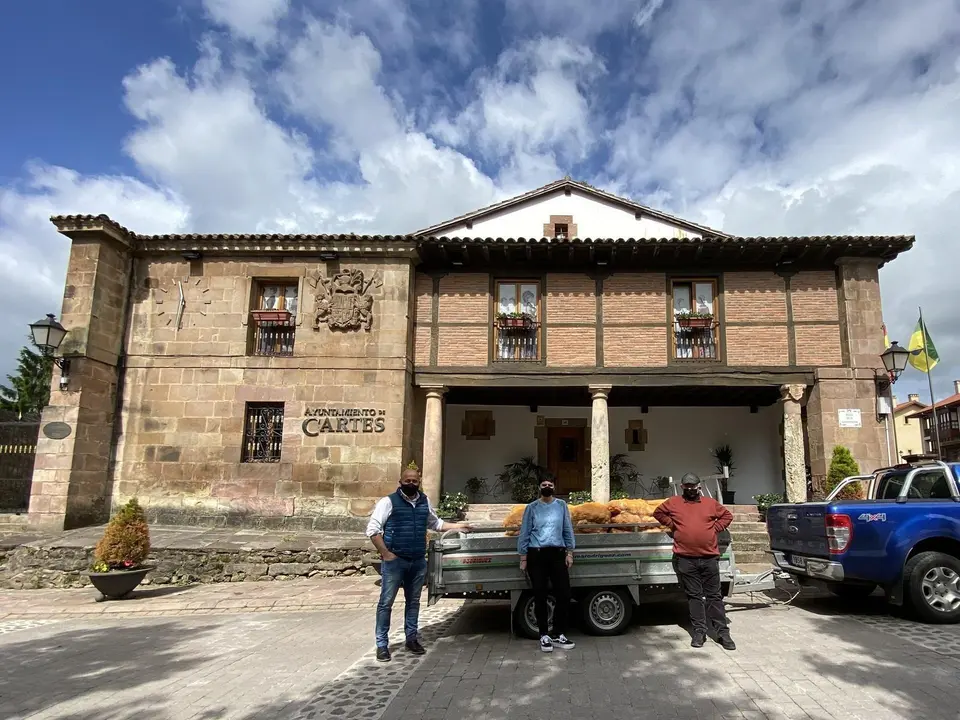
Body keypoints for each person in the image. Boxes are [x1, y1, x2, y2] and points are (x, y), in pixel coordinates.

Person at [366, 466, 471, 662]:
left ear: (419, 482)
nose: (411, 484)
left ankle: (411, 638)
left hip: (417, 561)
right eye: (407, 481)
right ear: (400, 481)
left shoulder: (424, 501)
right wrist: (386, 554)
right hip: (395, 561)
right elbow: (373, 530)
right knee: (386, 603)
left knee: (413, 602)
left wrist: (459, 526)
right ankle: (382, 644)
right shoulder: (388, 502)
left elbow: (436, 523)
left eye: (414, 481)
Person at [653, 473, 736, 650]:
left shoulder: (710, 503)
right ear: (682, 487)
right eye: (687, 486)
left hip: (709, 557)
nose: (690, 489)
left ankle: (723, 633)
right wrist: (673, 525)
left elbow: (727, 516)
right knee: (694, 597)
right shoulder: (674, 502)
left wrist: (715, 528)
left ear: (698, 486)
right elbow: (658, 512)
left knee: (714, 596)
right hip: (685, 558)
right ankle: (699, 632)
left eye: (693, 486)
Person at [517, 477, 576, 653]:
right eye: (544, 485)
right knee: (540, 595)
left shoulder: (561, 506)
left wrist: (570, 552)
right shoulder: (532, 508)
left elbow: (567, 528)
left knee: (564, 594)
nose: (547, 487)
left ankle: (558, 633)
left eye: (550, 485)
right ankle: (544, 635)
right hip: (537, 554)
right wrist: (523, 557)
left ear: (554, 487)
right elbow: (525, 532)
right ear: (539, 488)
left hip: (558, 553)